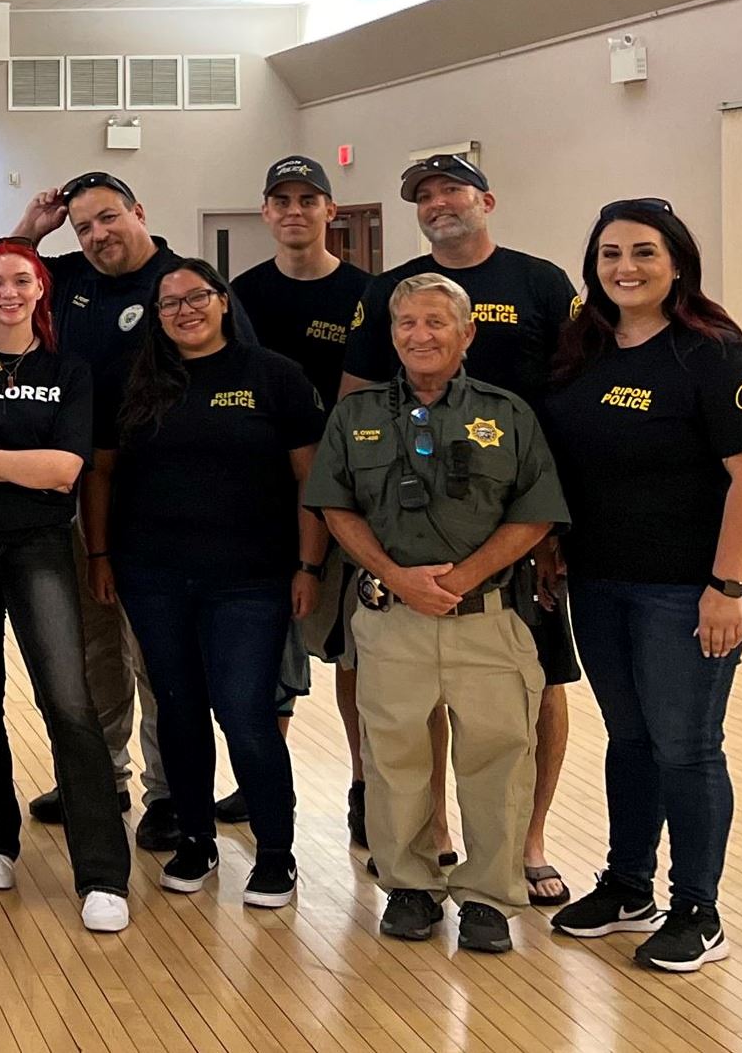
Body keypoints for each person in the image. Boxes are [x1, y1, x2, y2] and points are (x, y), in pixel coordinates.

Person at [541, 200, 742, 973]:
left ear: (677, 262)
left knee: (687, 746)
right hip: (603, 580)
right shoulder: (585, 349)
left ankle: (698, 911)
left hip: (691, 589)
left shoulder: (712, 354)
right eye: (610, 254)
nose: (626, 268)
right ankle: (628, 885)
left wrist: (727, 586)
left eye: (644, 253)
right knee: (630, 738)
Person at [340, 154, 582, 906]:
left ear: (487, 199)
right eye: (424, 195)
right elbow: (353, 398)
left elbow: (575, 398)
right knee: (415, 694)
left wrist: (550, 528)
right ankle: (431, 832)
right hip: (407, 535)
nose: (438, 202)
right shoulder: (388, 291)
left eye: (452, 189)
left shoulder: (541, 283)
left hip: (523, 526)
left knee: (533, 684)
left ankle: (526, 841)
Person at [304, 271, 568, 954]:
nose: (419, 336)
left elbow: (535, 512)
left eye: (435, 322)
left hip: (487, 621)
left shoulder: (508, 414)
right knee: (395, 760)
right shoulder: (354, 417)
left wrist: (462, 579)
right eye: (406, 325)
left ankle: (487, 896)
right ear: (391, 335)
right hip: (392, 619)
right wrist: (398, 577)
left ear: (467, 333)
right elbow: (336, 508)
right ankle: (411, 887)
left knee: (498, 760)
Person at [10, 171, 259, 849]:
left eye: (107, 218)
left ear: (139, 212)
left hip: (165, 505)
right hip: (80, 494)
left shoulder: (186, 285)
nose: (96, 234)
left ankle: (171, 794)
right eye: (83, 226)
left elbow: (243, 380)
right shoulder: (68, 281)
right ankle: (101, 775)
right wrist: (33, 228)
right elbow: (3, 274)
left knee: (161, 656)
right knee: (93, 650)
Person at [86, 259, 325, 911]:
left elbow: (312, 480)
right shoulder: (133, 380)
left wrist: (308, 566)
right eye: (169, 303)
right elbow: (101, 476)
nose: (184, 310)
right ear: (156, 316)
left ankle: (276, 853)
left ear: (222, 302)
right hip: (152, 575)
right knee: (180, 711)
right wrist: (100, 554)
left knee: (246, 714)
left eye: (196, 297)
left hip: (251, 580)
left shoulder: (274, 377)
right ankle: (195, 838)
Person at [0, 243, 131, 933]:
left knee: (68, 700)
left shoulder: (66, 370)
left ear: (41, 290)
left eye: (22, 280)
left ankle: (102, 870)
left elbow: (65, 471)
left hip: (41, 546)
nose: (9, 291)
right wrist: (21, 463)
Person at [220, 155, 371, 823]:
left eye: (308, 199)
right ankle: (262, 782)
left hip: (348, 502)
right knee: (264, 650)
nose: (294, 211)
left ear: (330, 212)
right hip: (261, 505)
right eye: (281, 200)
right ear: (265, 213)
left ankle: (369, 789)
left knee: (354, 656)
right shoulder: (240, 294)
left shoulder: (370, 294)